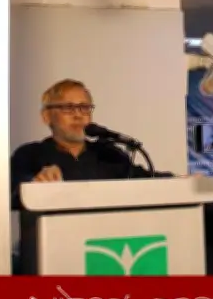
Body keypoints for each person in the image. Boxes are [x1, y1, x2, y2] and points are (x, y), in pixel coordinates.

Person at [10, 79, 173, 208]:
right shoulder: (29, 155)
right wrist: (36, 182)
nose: (78, 115)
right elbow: (11, 193)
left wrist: (179, 180)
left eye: (84, 108)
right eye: (68, 108)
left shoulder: (109, 154)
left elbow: (147, 180)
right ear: (46, 116)